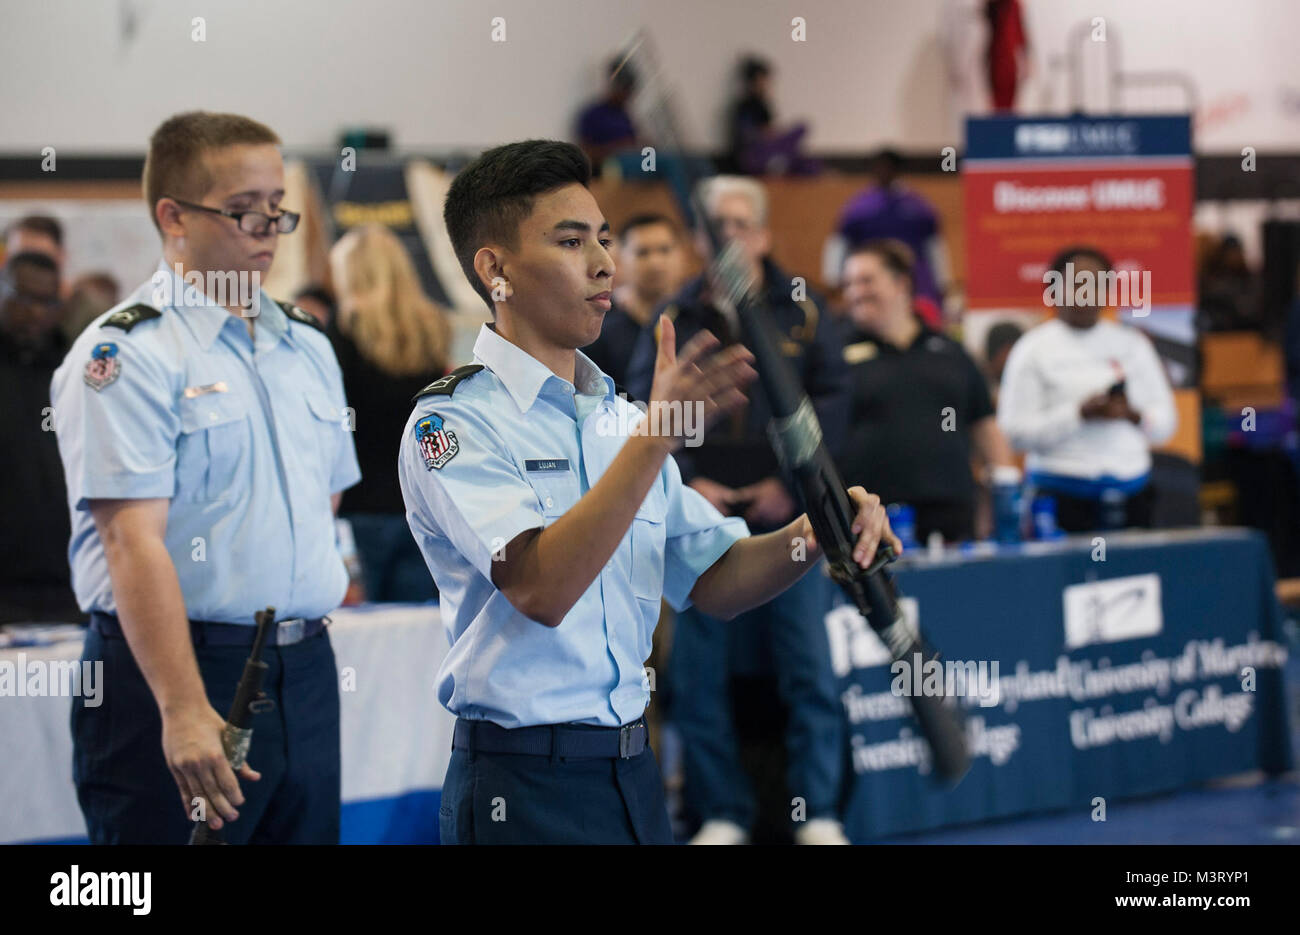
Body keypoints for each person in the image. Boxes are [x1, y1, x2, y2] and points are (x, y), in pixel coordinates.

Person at [400, 140, 898, 845]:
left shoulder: (622, 419)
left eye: (604, 238)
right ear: (496, 269)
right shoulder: (453, 422)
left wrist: (815, 533)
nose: (605, 263)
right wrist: (657, 437)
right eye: (571, 242)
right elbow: (541, 587)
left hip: (633, 774)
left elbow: (716, 576)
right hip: (522, 786)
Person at [50, 111, 361, 844]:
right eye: (244, 210)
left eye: (277, 211)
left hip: (303, 670)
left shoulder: (307, 345)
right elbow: (133, 543)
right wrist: (183, 705)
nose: (266, 230)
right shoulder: (129, 354)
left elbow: (324, 498)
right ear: (174, 217)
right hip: (177, 672)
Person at [625, 174, 852, 845]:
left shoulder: (803, 310)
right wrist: (686, 480)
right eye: (711, 225)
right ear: (698, 238)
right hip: (698, 513)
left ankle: (821, 812)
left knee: (807, 663)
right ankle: (721, 810)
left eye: (736, 223)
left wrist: (796, 484)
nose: (724, 236)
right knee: (698, 672)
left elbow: (834, 402)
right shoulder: (674, 313)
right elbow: (642, 407)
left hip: (791, 514)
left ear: (760, 232)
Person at [836, 240, 1015, 543]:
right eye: (848, 284)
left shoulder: (950, 352)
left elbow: (985, 426)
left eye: (866, 281)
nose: (855, 292)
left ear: (901, 284)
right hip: (868, 520)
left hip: (952, 516)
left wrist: (1003, 499)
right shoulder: (835, 355)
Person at [997, 245, 1177, 532]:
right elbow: (1014, 434)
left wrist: (1133, 415)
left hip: (1132, 495)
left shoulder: (1133, 345)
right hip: (1060, 497)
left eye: (1097, 284)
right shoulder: (1032, 350)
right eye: (1077, 283)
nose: (1086, 293)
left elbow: (1166, 425)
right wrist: (1078, 414)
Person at [329, 223, 450, 602]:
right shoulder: (433, 327)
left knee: (361, 639)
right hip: (421, 503)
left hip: (357, 503)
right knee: (415, 632)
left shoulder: (341, 330)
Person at [0, 252, 78, 623]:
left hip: (69, 587)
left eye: (46, 302)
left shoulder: (76, 370)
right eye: (24, 299)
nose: (35, 314)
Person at [827, 148, 947, 325]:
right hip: (872, 279)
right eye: (878, 168)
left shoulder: (918, 207)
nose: (883, 172)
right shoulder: (858, 207)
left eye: (888, 167)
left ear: (897, 170)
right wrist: (833, 276)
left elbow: (934, 246)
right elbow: (839, 243)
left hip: (917, 281)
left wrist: (942, 280)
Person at [583, 213, 685, 388]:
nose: (655, 263)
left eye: (664, 250)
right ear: (620, 260)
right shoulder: (599, 332)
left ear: (682, 255)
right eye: (642, 253)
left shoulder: (701, 321)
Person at [725, 56, 820, 177]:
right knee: (800, 131)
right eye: (762, 80)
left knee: (807, 160)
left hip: (769, 152)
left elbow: (770, 132)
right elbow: (761, 135)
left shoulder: (762, 104)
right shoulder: (745, 106)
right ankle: (776, 164)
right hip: (756, 155)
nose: (765, 84)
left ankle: (778, 163)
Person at [574, 56, 640, 177]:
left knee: (662, 160)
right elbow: (585, 153)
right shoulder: (592, 115)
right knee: (664, 163)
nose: (627, 96)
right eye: (625, 90)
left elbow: (634, 143)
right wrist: (618, 149)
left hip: (634, 162)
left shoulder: (624, 116)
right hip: (612, 165)